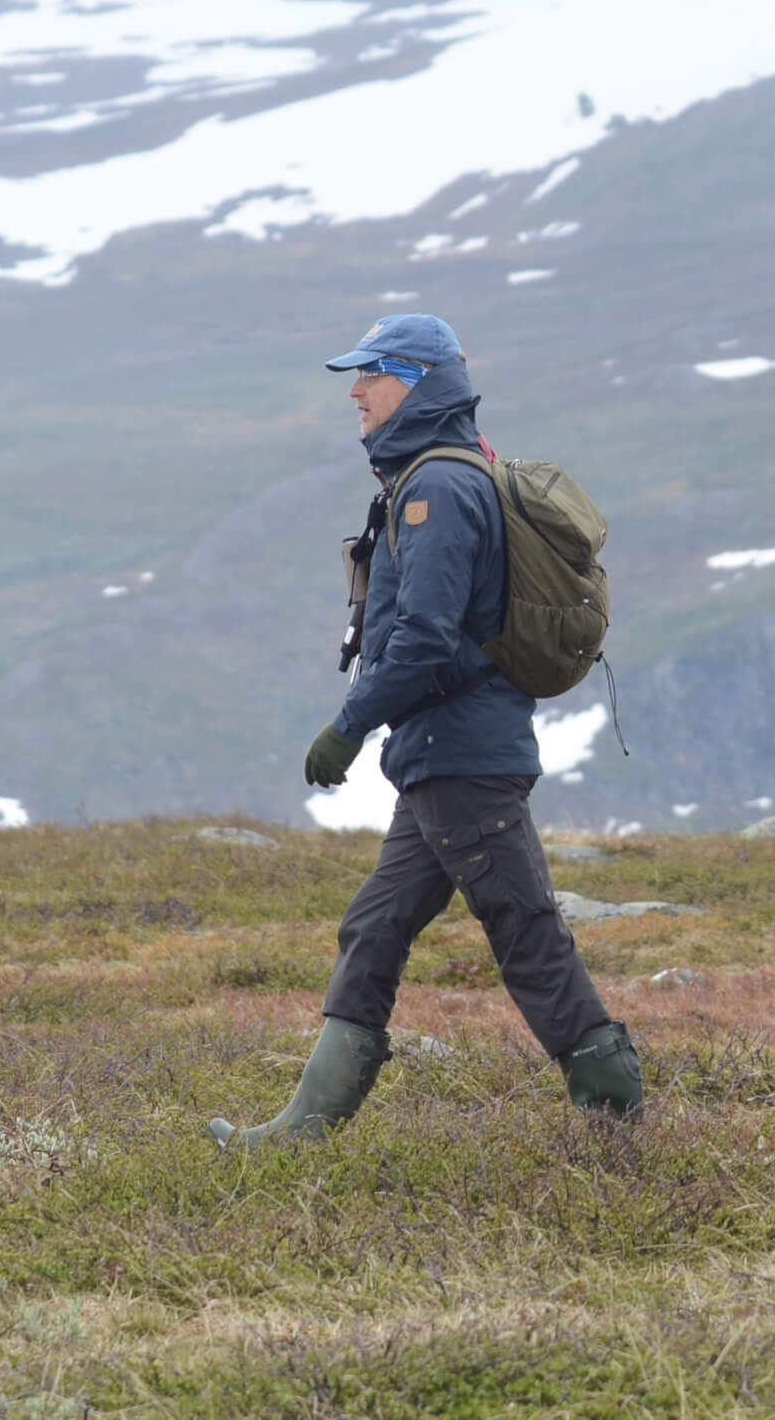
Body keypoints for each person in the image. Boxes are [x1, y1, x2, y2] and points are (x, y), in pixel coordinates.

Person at [208, 313, 641, 1149]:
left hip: (462, 758)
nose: (355, 392)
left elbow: (426, 639)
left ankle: (618, 1114)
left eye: (371, 374)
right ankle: (304, 1131)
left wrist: (346, 727)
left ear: (415, 381)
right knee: (376, 924)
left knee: (524, 931)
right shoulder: (441, 475)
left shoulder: (437, 490)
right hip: (444, 755)